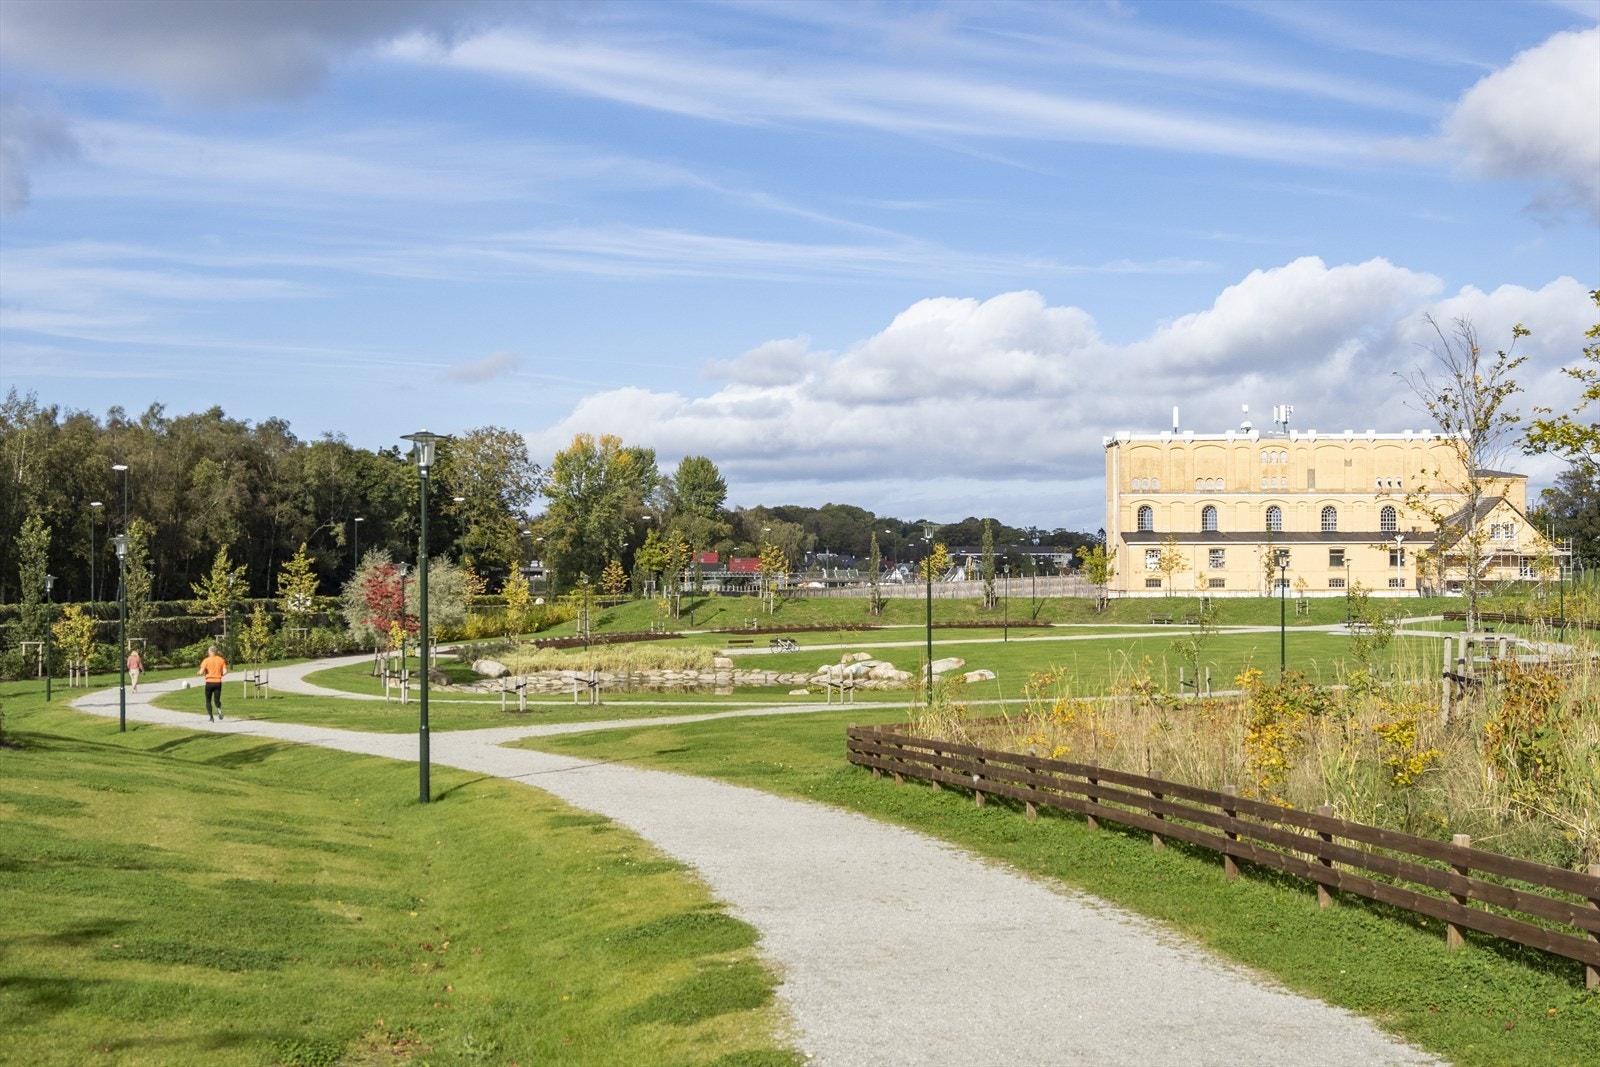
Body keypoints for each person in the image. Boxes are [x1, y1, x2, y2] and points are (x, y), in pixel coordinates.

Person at [198, 644, 227, 721]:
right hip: (218, 682)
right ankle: (219, 709)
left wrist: (199, 673)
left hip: (209, 682)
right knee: (217, 699)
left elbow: (201, 672)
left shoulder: (206, 660)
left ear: (210, 652)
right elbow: (225, 671)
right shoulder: (221, 660)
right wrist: (220, 675)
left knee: (208, 700)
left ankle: (211, 717)